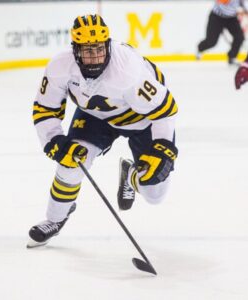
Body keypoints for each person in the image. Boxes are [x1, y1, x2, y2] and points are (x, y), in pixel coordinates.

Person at [27, 14, 178, 248]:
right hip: (95, 115)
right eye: (87, 50)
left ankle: (131, 174)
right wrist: (55, 141)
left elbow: (164, 110)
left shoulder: (127, 69)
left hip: (142, 119)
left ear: (108, 45)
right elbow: (45, 108)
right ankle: (55, 219)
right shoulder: (59, 67)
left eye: (99, 49)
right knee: (70, 164)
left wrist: (163, 148)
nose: (94, 56)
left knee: (154, 193)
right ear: (75, 50)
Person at [197, 0, 247, 64]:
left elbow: (244, 5)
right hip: (217, 17)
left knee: (239, 37)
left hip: (231, 18)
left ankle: (232, 57)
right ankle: (200, 48)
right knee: (211, 41)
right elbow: (223, 1)